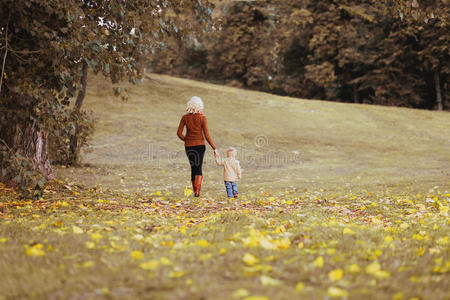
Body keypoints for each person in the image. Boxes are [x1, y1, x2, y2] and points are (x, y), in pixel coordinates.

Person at [177, 96, 218, 197]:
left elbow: (179, 133)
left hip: (189, 147)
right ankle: (197, 192)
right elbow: (207, 135)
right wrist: (214, 148)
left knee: (193, 167)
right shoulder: (202, 118)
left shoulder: (185, 118)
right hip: (200, 146)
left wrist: (186, 140)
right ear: (200, 106)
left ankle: (195, 190)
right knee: (198, 166)